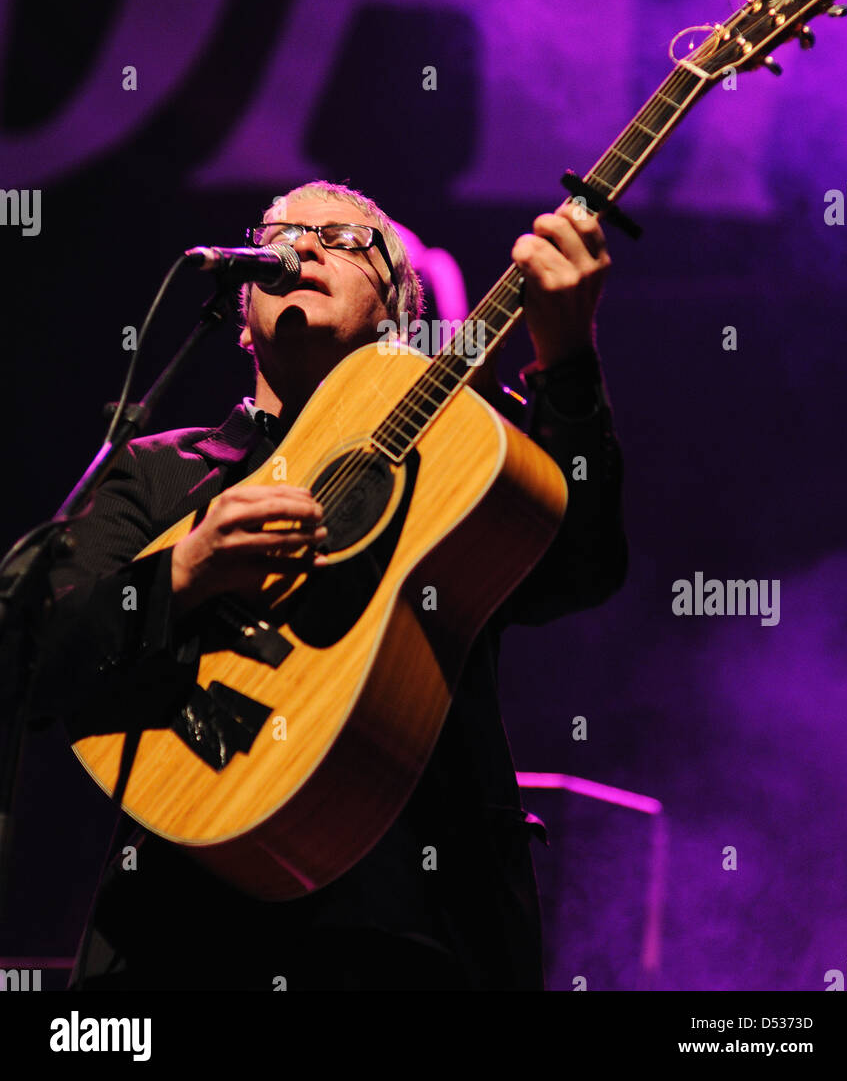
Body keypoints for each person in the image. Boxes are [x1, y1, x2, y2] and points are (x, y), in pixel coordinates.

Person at [30, 179, 627, 991]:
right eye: (281, 236)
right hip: (175, 937)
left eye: (344, 241)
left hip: (421, 930)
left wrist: (566, 365)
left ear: (399, 315)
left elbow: (582, 566)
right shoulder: (161, 474)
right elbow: (31, 658)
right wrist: (183, 570)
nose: (304, 248)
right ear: (242, 313)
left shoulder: (465, 459)